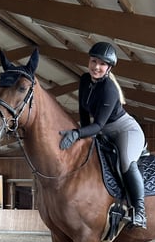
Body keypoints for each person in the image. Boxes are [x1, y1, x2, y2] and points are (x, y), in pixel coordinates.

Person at [59, 42, 147, 229]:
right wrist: (81, 133)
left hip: (125, 130)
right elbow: (83, 111)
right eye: (93, 61)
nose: (96, 67)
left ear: (108, 68)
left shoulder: (109, 89)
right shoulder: (84, 80)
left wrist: (77, 134)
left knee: (126, 162)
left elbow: (98, 125)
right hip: (102, 129)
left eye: (102, 64)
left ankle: (140, 211)